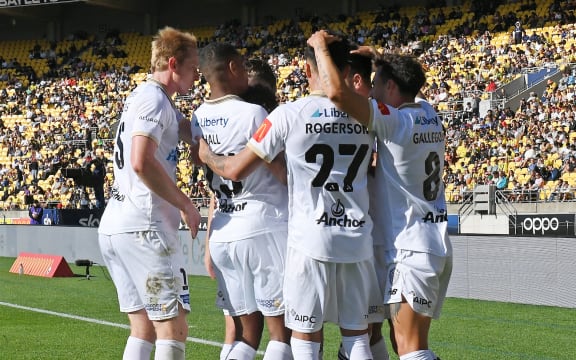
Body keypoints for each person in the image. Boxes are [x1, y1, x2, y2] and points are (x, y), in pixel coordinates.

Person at [198, 35, 379, 360]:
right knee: (358, 339)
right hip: (356, 239)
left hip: (309, 241)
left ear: (307, 69)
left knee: (303, 341)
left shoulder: (288, 114)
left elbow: (235, 168)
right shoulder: (369, 113)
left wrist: (207, 155)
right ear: (347, 70)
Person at [308, 30, 452, 360]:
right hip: (432, 242)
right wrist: (380, 58)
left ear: (390, 88)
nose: (371, 92)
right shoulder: (428, 111)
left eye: (376, 85)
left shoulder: (397, 122)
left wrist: (319, 48)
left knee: (410, 348)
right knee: (399, 338)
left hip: (412, 250)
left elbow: (338, 95)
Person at [97, 26, 202, 360]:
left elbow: (186, 130)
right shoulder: (153, 99)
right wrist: (186, 203)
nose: (197, 75)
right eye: (193, 67)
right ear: (173, 64)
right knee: (172, 329)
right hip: (146, 229)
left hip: (118, 225)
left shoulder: (149, 97)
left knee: (142, 328)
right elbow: (141, 161)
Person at [195, 42, 291, 360]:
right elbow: (282, 173)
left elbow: (202, 164)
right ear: (234, 68)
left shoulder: (198, 117)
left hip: (224, 230)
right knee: (282, 335)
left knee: (245, 336)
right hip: (262, 227)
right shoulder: (254, 114)